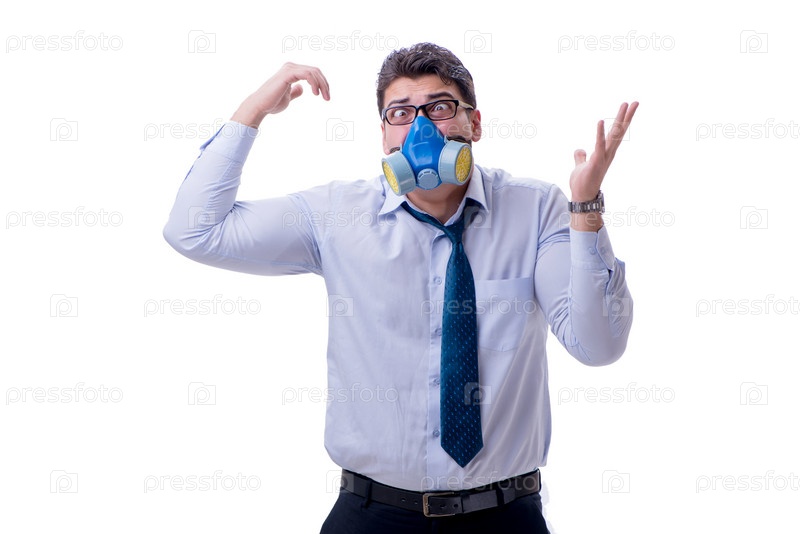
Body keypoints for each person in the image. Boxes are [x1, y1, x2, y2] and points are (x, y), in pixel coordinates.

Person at [163, 42, 637, 533]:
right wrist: (254, 110)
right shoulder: (335, 217)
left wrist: (586, 208)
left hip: (506, 516)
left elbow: (598, 346)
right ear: (385, 133)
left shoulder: (537, 209)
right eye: (401, 112)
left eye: (440, 107)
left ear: (474, 123)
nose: (421, 127)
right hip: (371, 515)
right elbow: (194, 231)